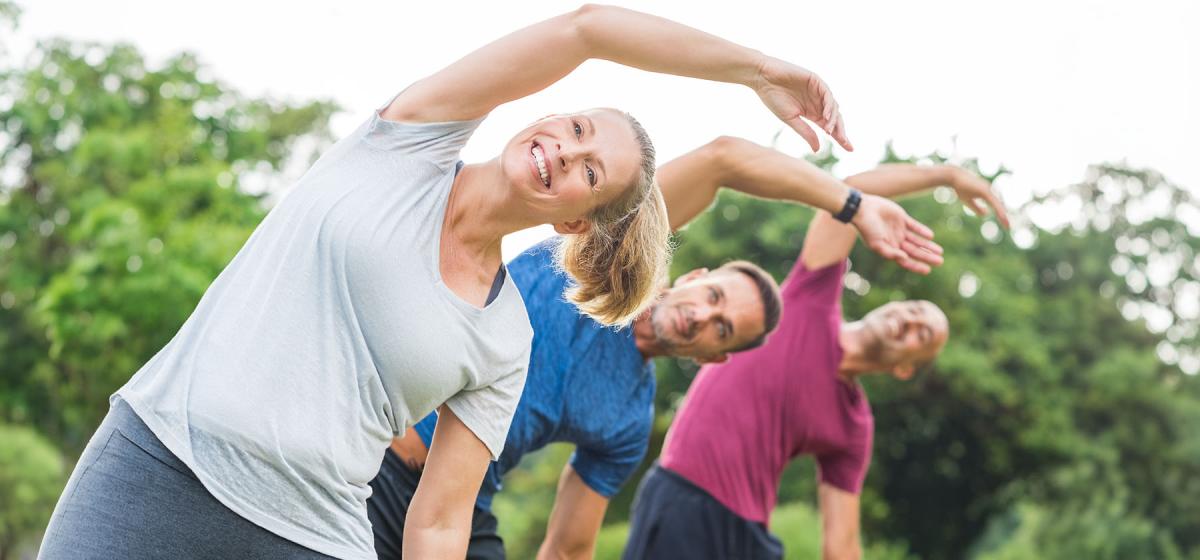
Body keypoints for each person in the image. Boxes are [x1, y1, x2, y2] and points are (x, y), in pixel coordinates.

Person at [36, 5, 915, 559]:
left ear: (577, 219)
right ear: (543, 113)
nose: (569, 150)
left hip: (311, 532)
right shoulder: (406, 140)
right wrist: (758, 72)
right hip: (162, 460)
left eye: (590, 172)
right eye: (575, 126)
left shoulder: (508, 339)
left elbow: (443, 521)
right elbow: (586, 29)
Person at [367, 135, 943, 559]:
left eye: (722, 329)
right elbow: (722, 160)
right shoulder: (600, 261)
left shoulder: (626, 420)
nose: (705, 315)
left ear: (712, 358)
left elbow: (568, 548)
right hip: (377, 466)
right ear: (692, 277)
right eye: (714, 296)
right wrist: (854, 204)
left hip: (460, 512)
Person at [623, 158, 1010, 560]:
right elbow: (851, 193)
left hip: (749, 540)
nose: (907, 321)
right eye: (912, 309)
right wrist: (945, 176)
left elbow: (841, 543)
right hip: (683, 500)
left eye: (921, 333)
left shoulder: (853, 425)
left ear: (905, 367)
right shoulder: (811, 297)